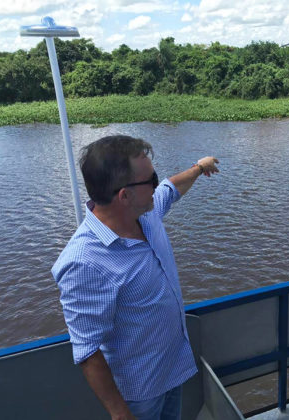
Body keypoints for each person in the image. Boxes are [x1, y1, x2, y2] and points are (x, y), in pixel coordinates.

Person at [51, 135, 219, 420]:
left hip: (172, 368)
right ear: (124, 196)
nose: (156, 184)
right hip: (140, 395)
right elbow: (87, 349)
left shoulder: (145, 212)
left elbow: (170, 188)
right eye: (150, 179)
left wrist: (199, 168)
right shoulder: (84, 263)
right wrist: (121, 414)